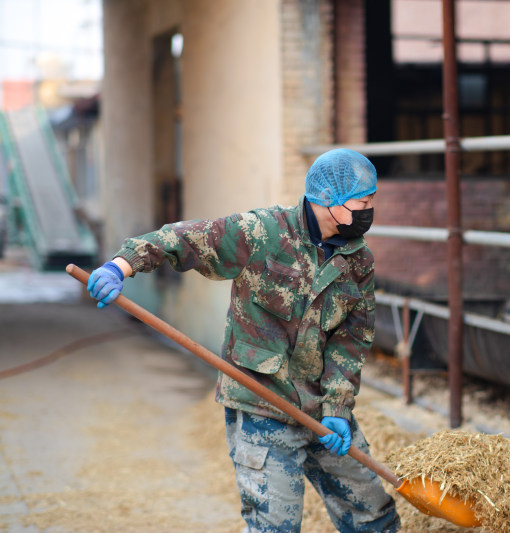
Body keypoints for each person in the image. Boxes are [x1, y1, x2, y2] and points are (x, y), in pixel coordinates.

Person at [86, 149, 401, 533]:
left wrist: (337, 406)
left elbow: (352, 338)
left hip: (321, 409)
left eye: (372, 200)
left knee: (375, 519)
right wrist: (121, 265)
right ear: (327, 200)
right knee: (274, 528)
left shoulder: (358, 260)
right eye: (363, 201)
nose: (371, 209)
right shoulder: (263, 234)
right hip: (261, 407)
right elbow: (184, 238)